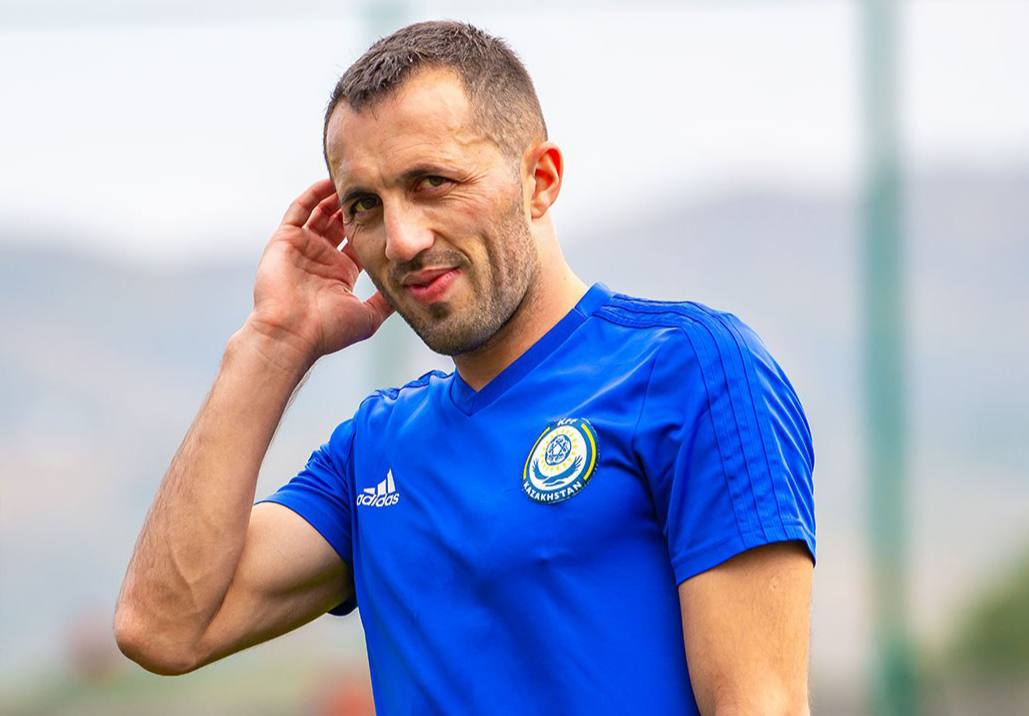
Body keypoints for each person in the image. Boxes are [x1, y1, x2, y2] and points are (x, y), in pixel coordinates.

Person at [115, 20, 816, 715]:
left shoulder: (690, 371)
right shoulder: (372, 451)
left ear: (539, 180)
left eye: (432, 182)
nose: (401, 239)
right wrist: (272, 343)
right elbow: (163, 628)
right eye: (365, 205)